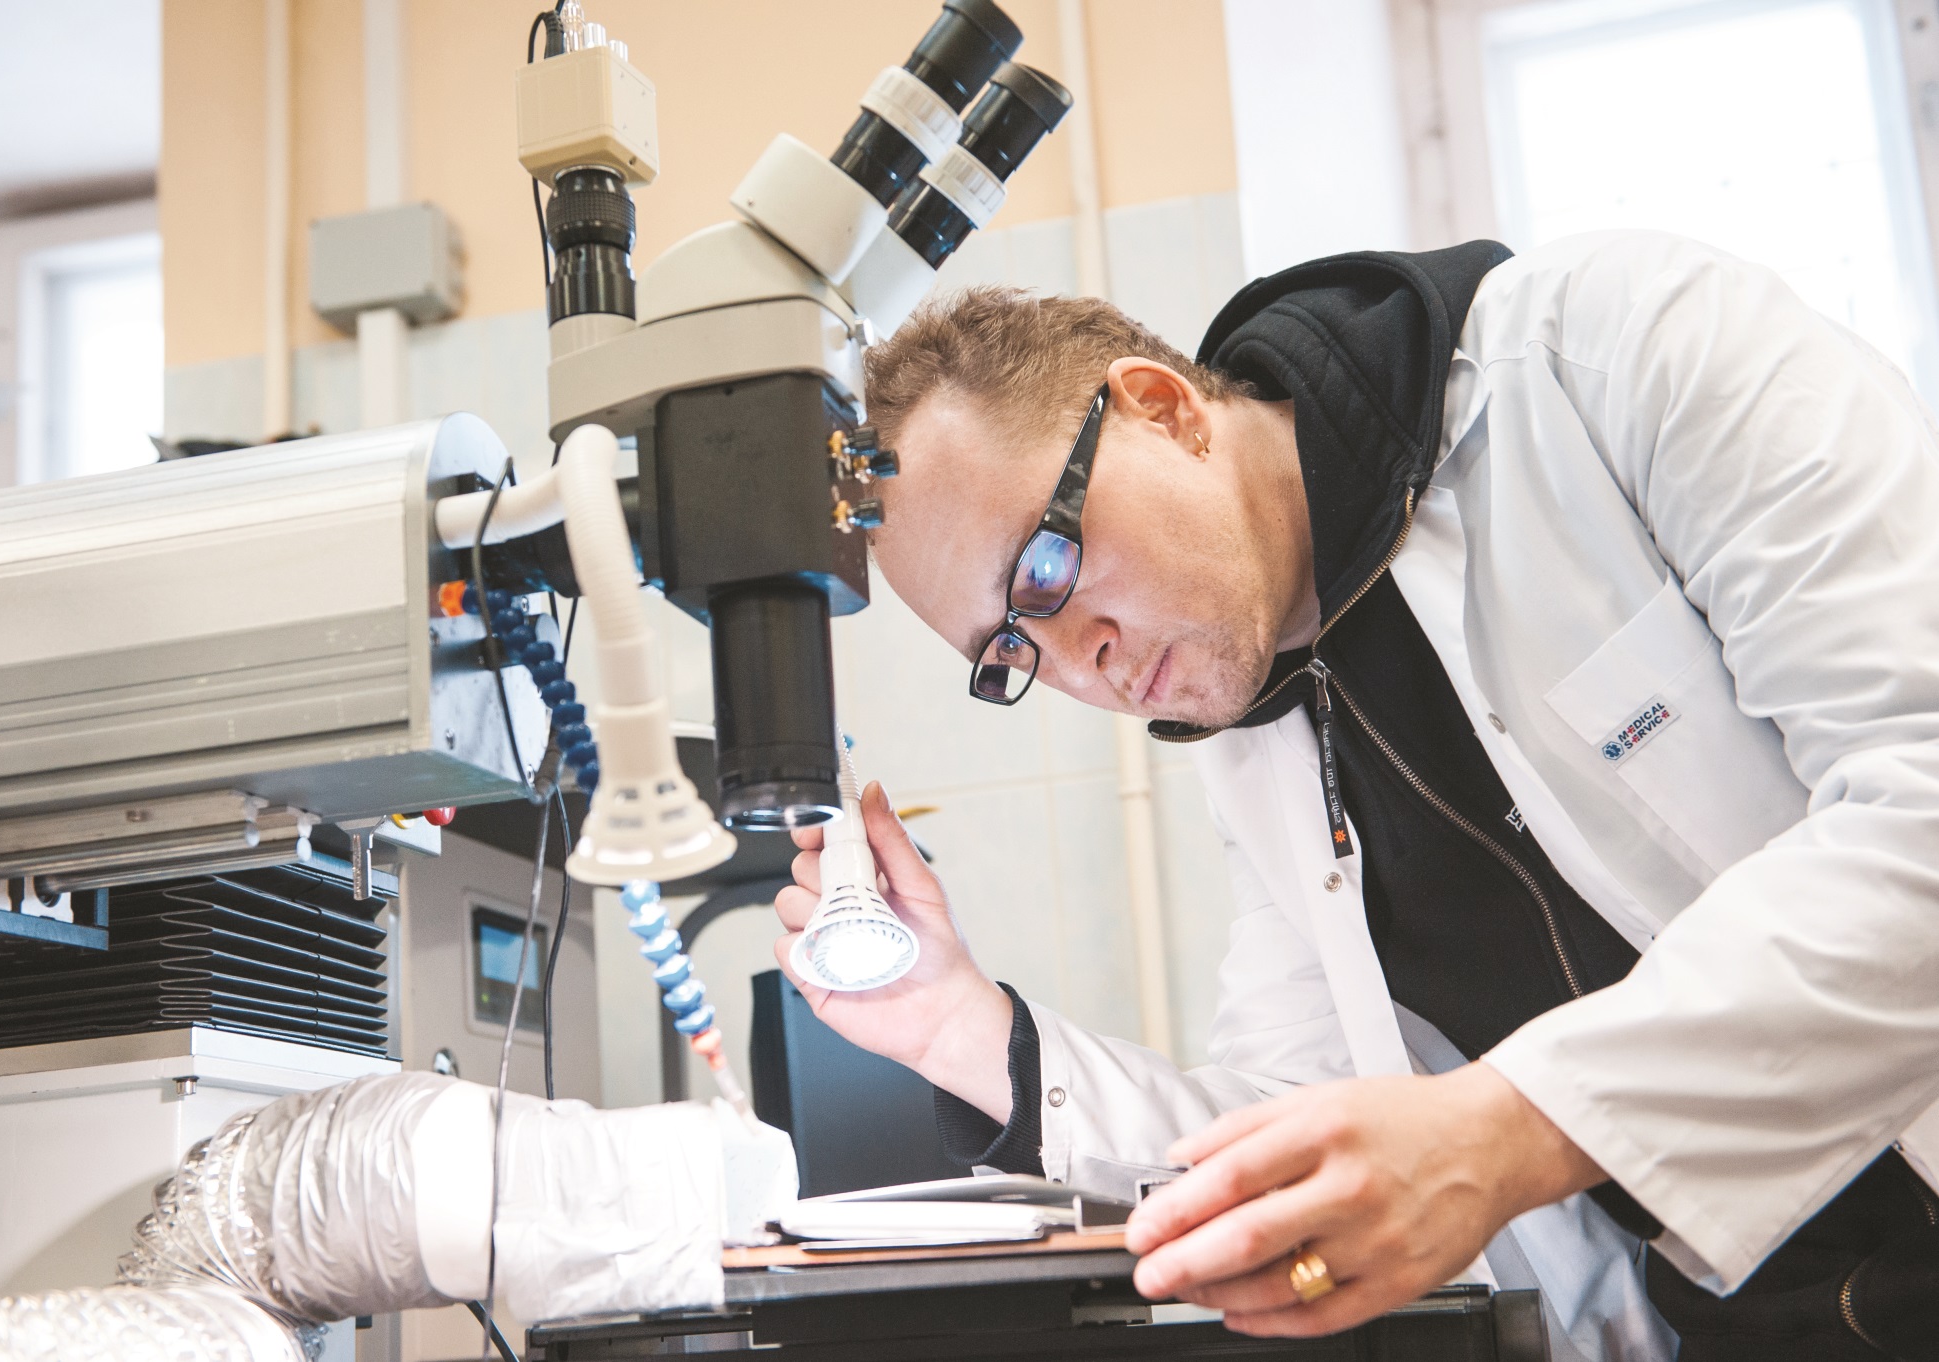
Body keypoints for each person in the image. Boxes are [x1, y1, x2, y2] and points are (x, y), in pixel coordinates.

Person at [771, 230, 1939, 1361]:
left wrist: (1513, 1129)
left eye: (1045, 568)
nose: (1084, 662)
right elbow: (1305, 1129)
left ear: (1161, 408)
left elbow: (1919, 811)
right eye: (1009, 652)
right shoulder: (1259, 740)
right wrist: (964, 1032)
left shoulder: (1616, 354)